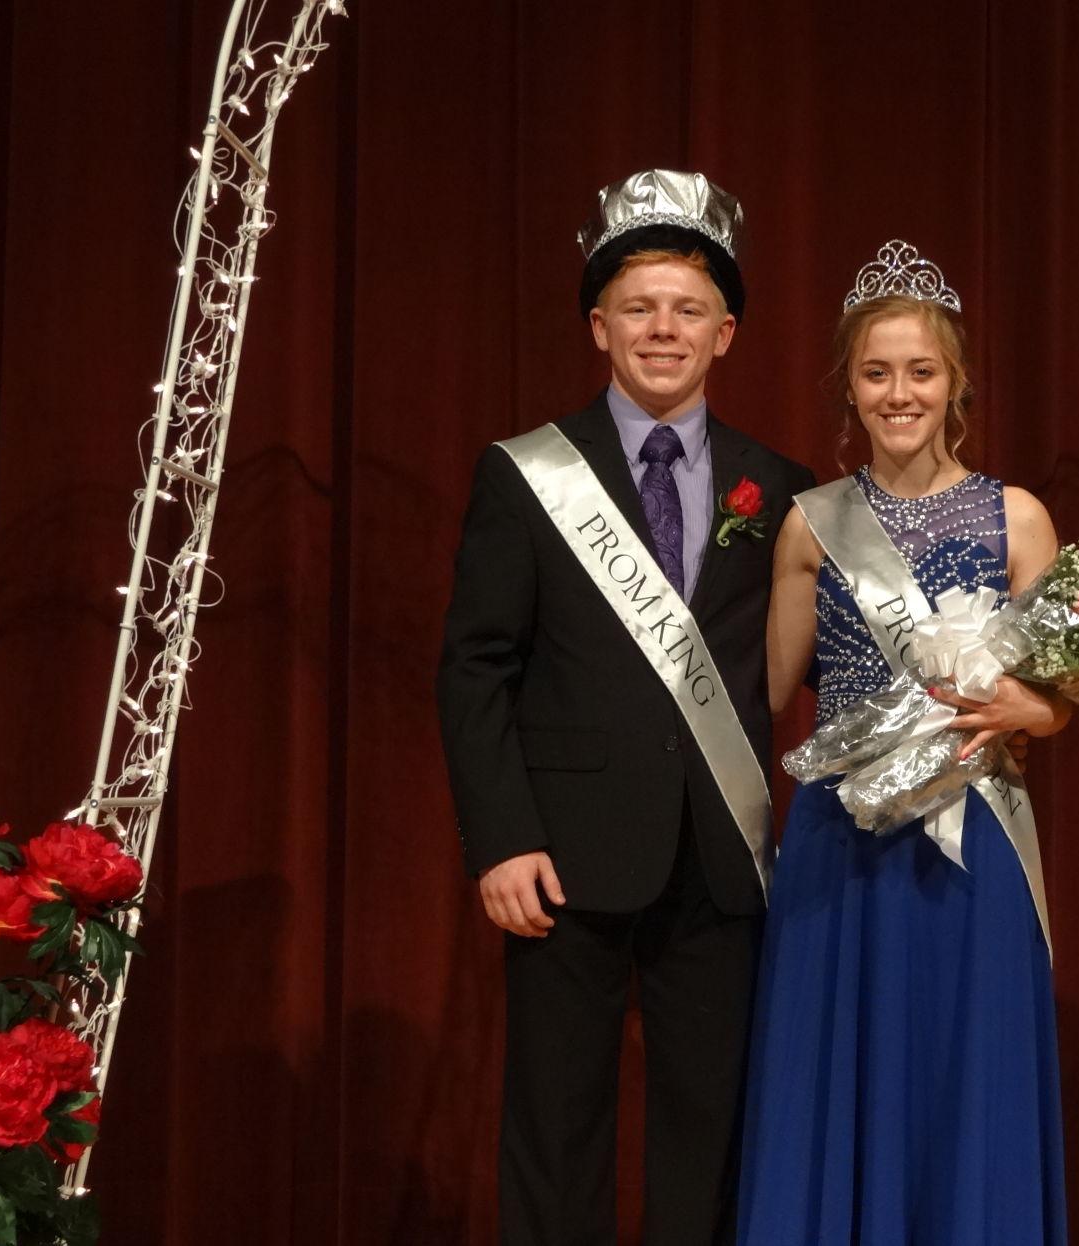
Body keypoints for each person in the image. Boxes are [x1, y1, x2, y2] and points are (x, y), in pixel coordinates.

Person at [437, 169, 815, 1246]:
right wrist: (501, 840)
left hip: (719, 853)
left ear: (727, 333)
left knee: (714, 1131)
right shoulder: (525, 474)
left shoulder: (779, 486)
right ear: (600, 327)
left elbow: (826, 660)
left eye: (689, 309)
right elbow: (474, 666)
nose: (664, 329)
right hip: (563, 854)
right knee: (557, 1128)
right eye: (640, 308)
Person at [737, 240, 1072, 1245]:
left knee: (962, 1076)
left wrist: (1033, 713)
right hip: (845, 845)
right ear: (849, 384)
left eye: (920, 371)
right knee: (836, 1075)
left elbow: (1055, 703)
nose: (899, 393)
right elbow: (769, 687)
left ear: (956, 381)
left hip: (976, 840)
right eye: (877, 373)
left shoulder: (1019, 519)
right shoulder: (811, 524)